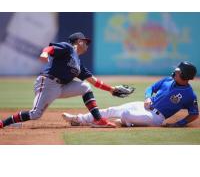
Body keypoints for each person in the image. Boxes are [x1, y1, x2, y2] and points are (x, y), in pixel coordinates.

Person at [0, 32, 133, 129]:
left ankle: (98, 120)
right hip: (47, 83)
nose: (87, 45)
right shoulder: (68, 48)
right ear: (79, 41)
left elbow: (94, 81)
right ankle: (3, 123)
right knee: (35, 114)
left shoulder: (78, 63)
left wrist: (111, 89)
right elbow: (50, 48)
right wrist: (45, 53)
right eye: (85, 42)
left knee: (86, 87)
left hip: (61, 88)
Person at [62, 61, 199, 127]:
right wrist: (148, 97)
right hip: (144, 107)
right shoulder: (168, 80)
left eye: (178, 71)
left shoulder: (189, 95)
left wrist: (178, 124)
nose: (175, 72)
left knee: (126, 114)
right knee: (112, 110)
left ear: (184, 75)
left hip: (156, 118)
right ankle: (78, 119)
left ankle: (126, 122)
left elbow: (194, 114)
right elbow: (150, 88)